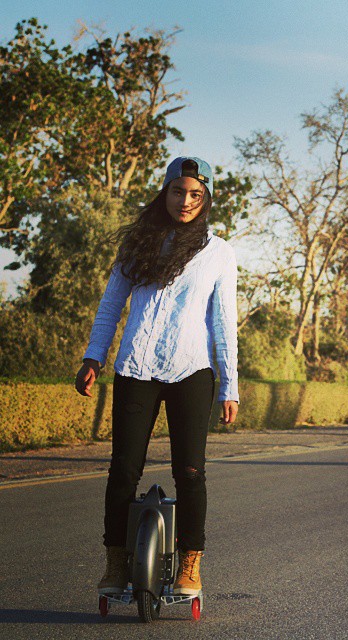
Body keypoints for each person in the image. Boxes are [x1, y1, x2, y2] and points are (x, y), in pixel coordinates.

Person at [75, 156, 239, 597]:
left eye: (195, 194)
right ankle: (115, 561)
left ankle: (190, 564)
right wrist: (93, 358)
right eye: (177, 191)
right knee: (123, 471)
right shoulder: (138, 245)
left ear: (206, 200)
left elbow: (223, 323)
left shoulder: (219, 252)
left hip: (192, 371)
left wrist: (230, 385)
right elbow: (111, 305)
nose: (185, 201)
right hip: (136, 368)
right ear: (165, 192)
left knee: (191, 472)